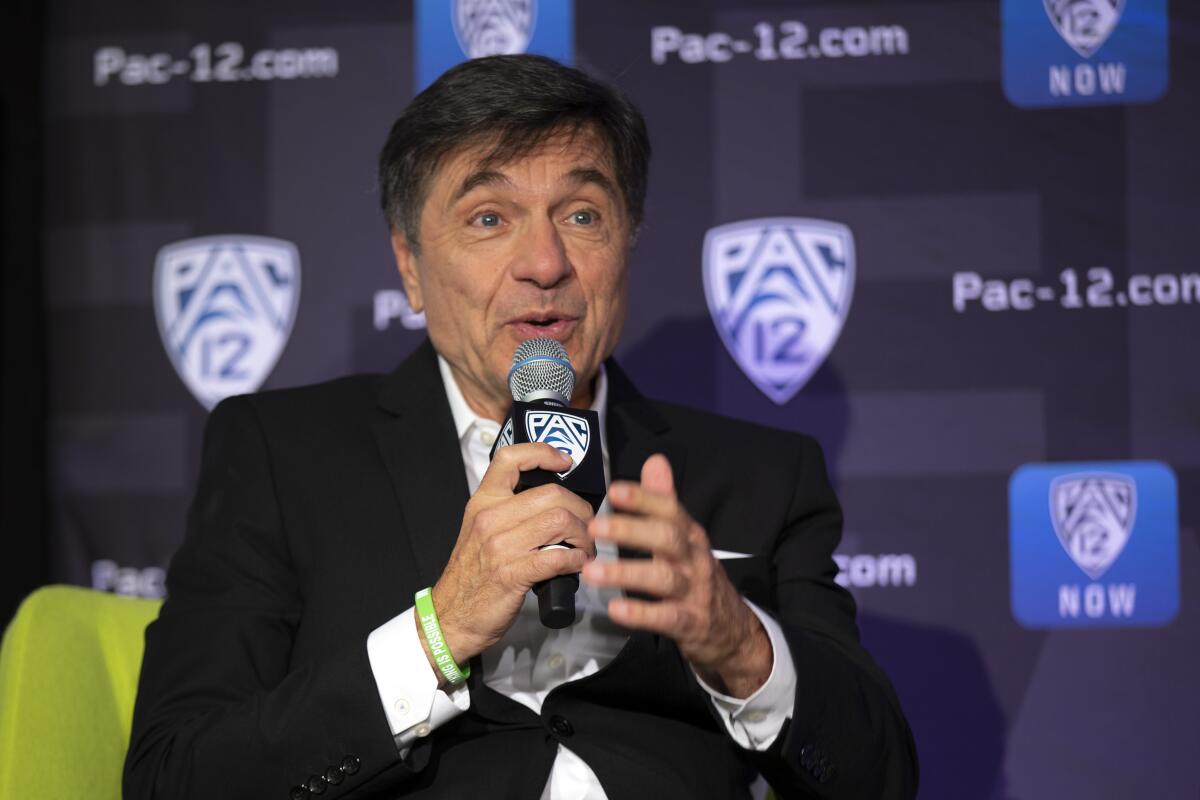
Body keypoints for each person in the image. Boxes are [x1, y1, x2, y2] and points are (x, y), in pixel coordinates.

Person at [124, 54, 917, 799]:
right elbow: (175, 777)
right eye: (489, 217)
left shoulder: (761, 476)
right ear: (410, 266)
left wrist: (739, 643)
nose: (544, 261)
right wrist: (438, 633)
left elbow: (880, 779)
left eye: (580, 213)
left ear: (627, 243)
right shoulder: (282, 453)